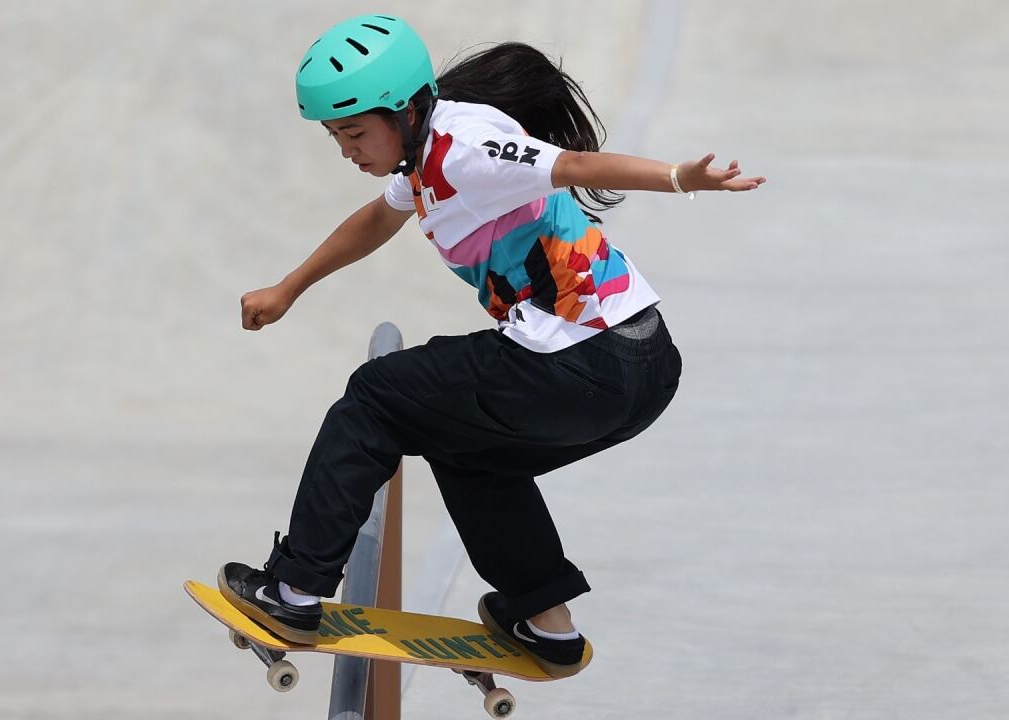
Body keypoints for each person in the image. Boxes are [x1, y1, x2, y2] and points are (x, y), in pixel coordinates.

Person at [219, 14, 765, 678]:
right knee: (466, 446)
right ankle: (546, 622)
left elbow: (577, 166)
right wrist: (289, 287)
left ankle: (294, 590)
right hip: (640, 367)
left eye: (356, 133)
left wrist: (681, 176)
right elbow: (375, 221)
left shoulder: (467, 145)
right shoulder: (419, 159)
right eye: (336, 137)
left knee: (375, 397)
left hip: (583, 363)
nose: (347, 150)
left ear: (408, 109)